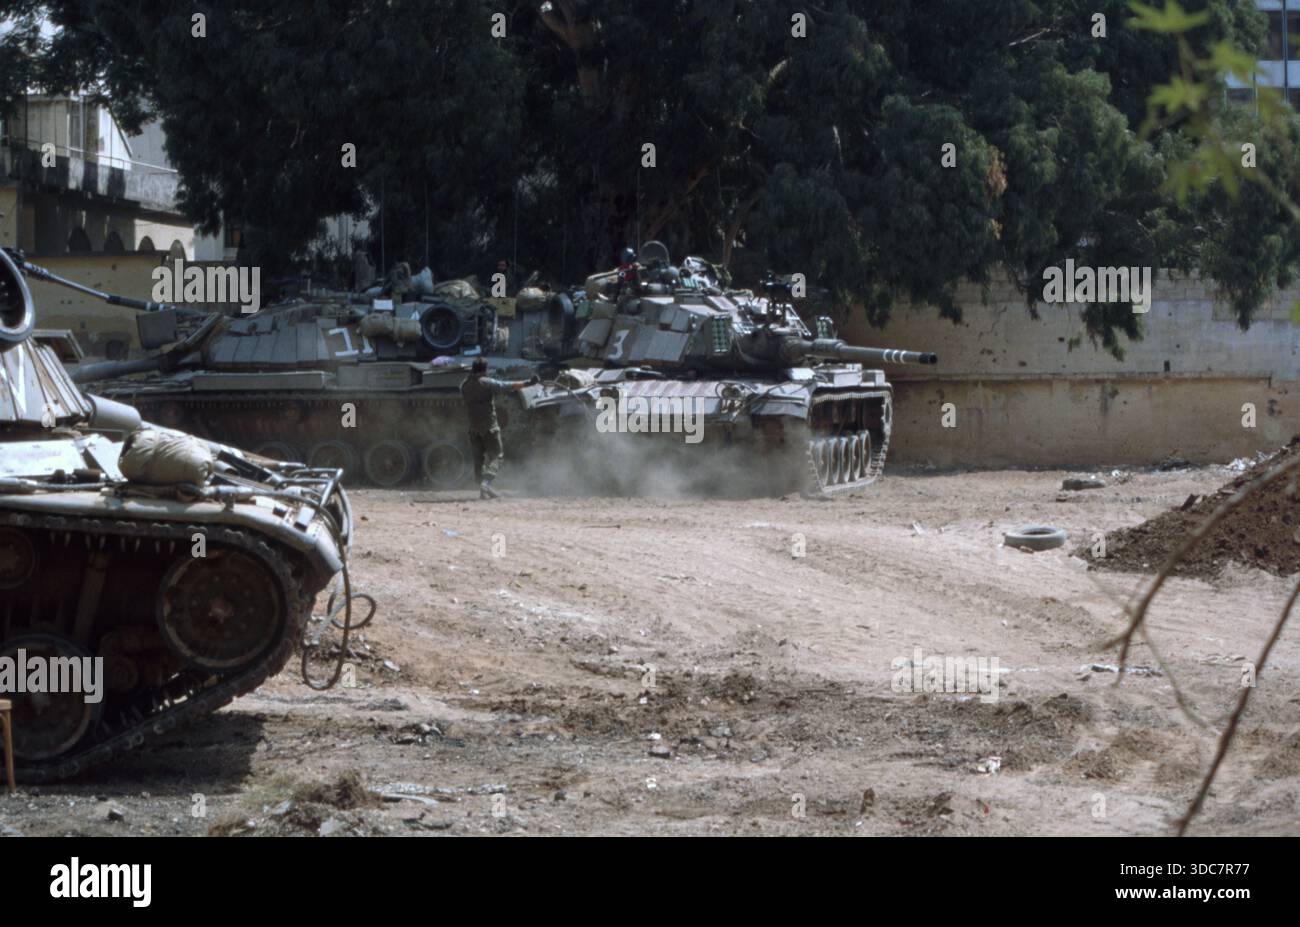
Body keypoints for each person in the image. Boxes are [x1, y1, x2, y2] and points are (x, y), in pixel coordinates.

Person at [460, 356, 536, 498]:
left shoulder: (464, 385)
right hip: (490, 426)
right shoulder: (486, 383)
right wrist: (528, 383)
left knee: (479, 459)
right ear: (484, 370)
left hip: (473, 428)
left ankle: (484, 490)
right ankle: (486, 483)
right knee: (497, 456)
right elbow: (506, 386)